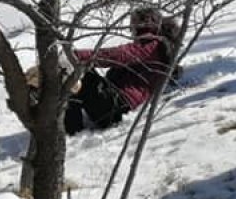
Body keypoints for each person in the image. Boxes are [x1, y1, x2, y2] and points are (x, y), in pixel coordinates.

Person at [65, 7, 173, 135]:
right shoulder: (148, 44)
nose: (130, 27)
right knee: (79, 74)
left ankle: (69, 130)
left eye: (133, 22)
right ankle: (67, 127)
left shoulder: (151, 45)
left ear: (143, 23)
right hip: (115, 103)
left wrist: (77, 56)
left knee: (81, 76)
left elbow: (118, 55)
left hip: (119, 107)